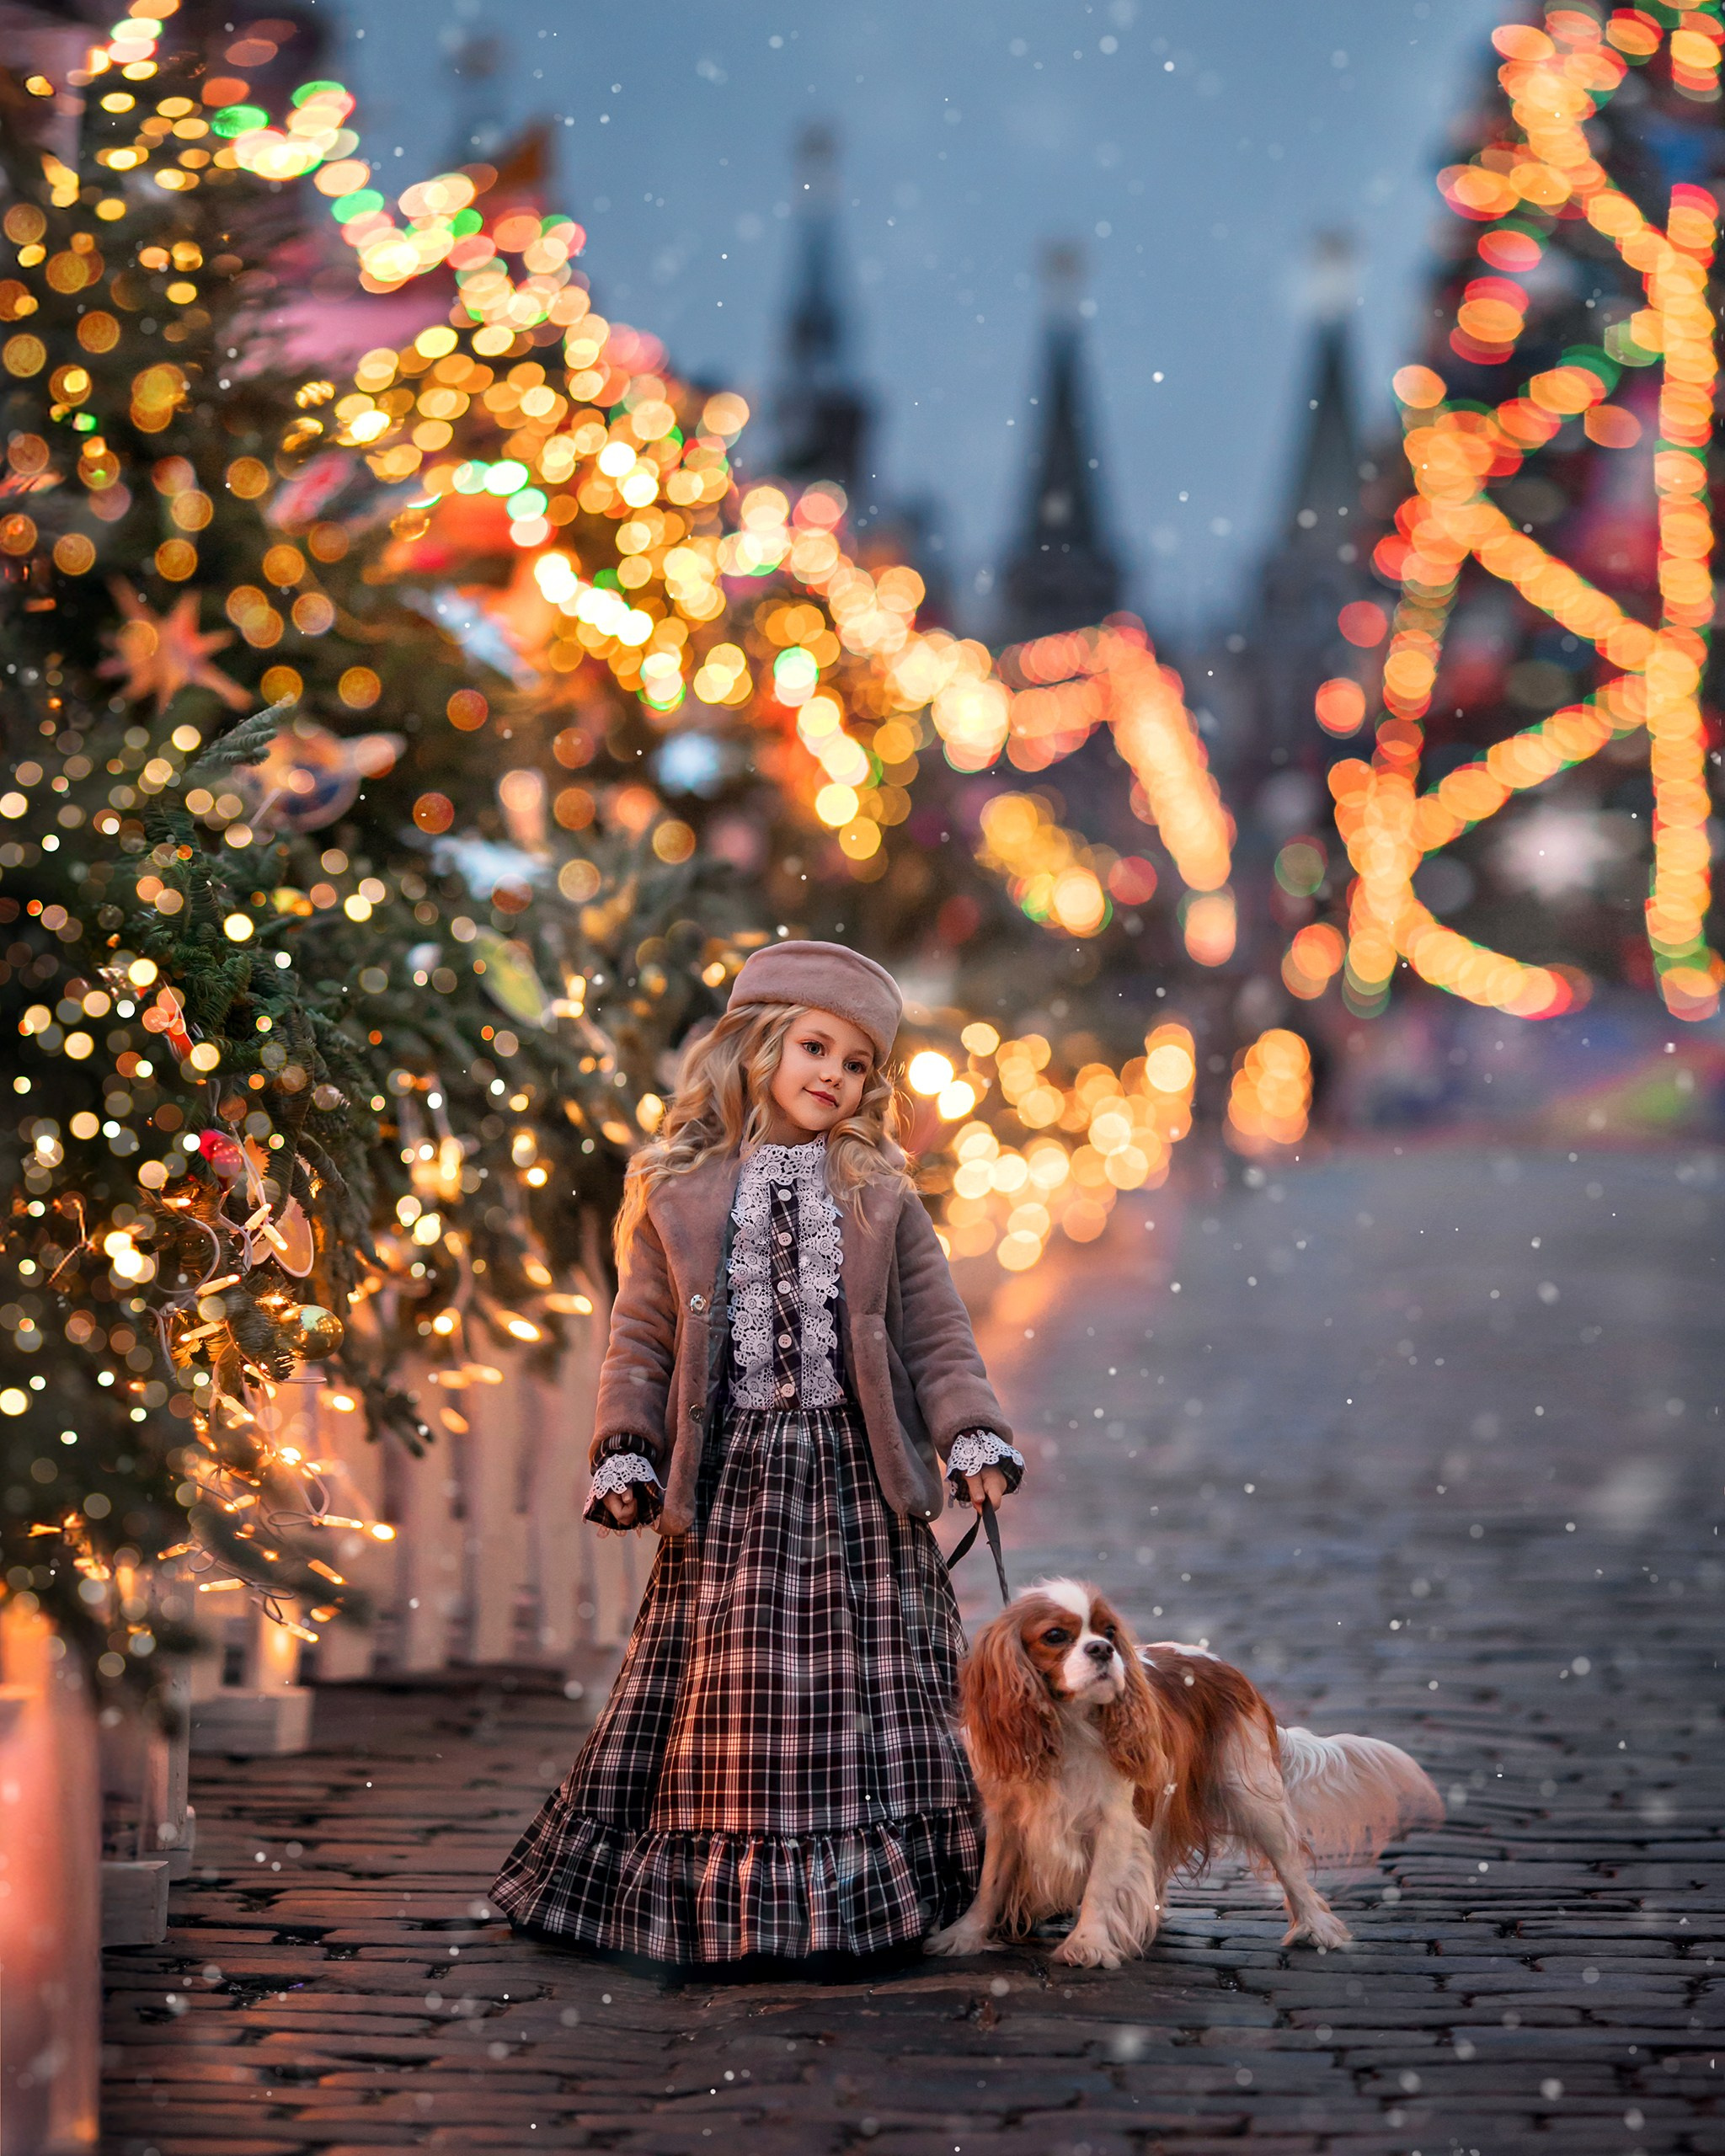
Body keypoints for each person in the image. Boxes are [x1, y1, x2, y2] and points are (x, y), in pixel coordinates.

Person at [492, 941, 1023, 1974]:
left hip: (860, 1484)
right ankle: (740, 1901)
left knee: (870, 1689)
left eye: (858, 1062)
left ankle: (871, 1896)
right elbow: (639, 1339)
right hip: (734, 1486)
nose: (833, 1074)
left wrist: (969, 1435)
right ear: (758, 1046)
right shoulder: (677, 1191)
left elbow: (937, 1335)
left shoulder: (881, 1192)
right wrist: (626, 1450)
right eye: (814, 1047)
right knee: (732, 1686)